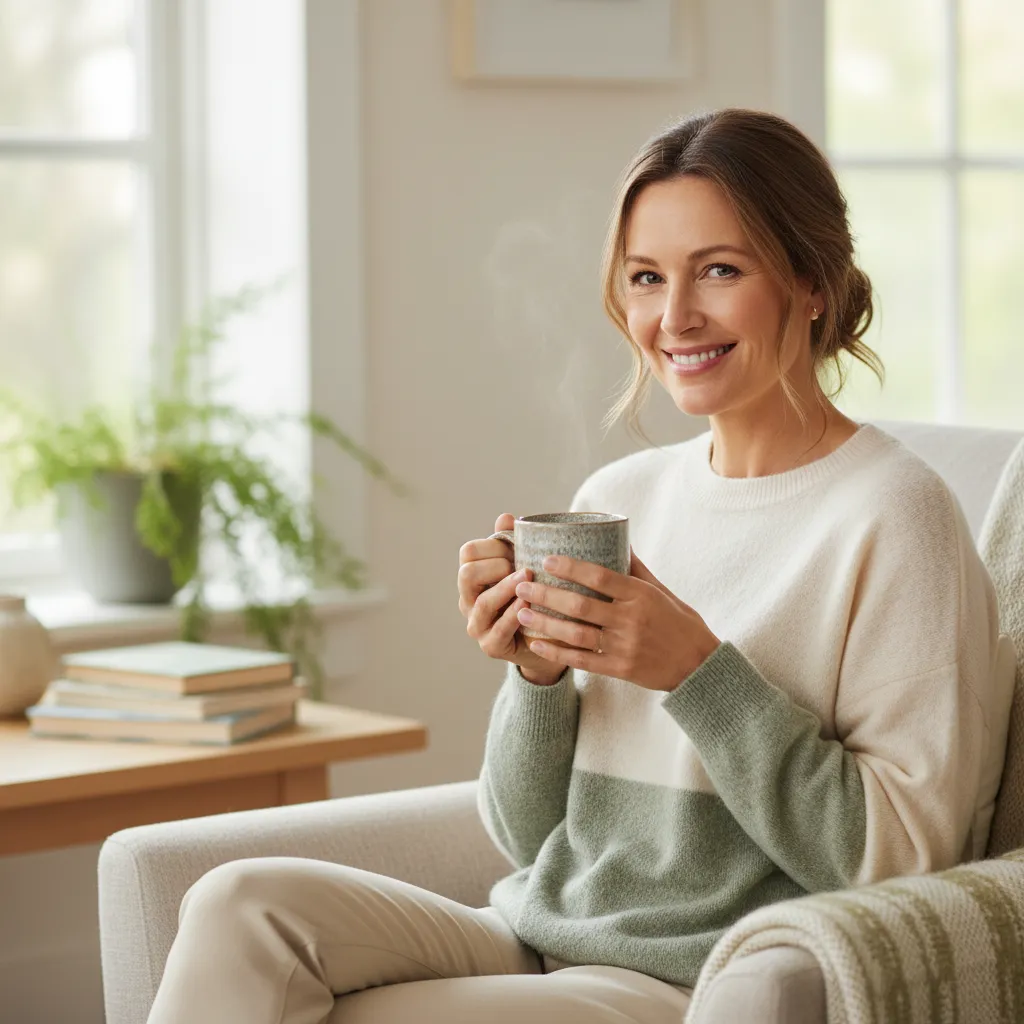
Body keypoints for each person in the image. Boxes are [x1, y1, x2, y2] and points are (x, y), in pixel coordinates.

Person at [145, 108, 1002, 1024]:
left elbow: (905, 858)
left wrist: (695, 672)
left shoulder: (894, 517)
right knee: (236, 906)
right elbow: (524, 837)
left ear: (810, 282)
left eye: (719, 269)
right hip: (536, 932)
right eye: (645, 278)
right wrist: (537, 675)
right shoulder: (622, 494)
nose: (673, 318)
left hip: (691, 979)